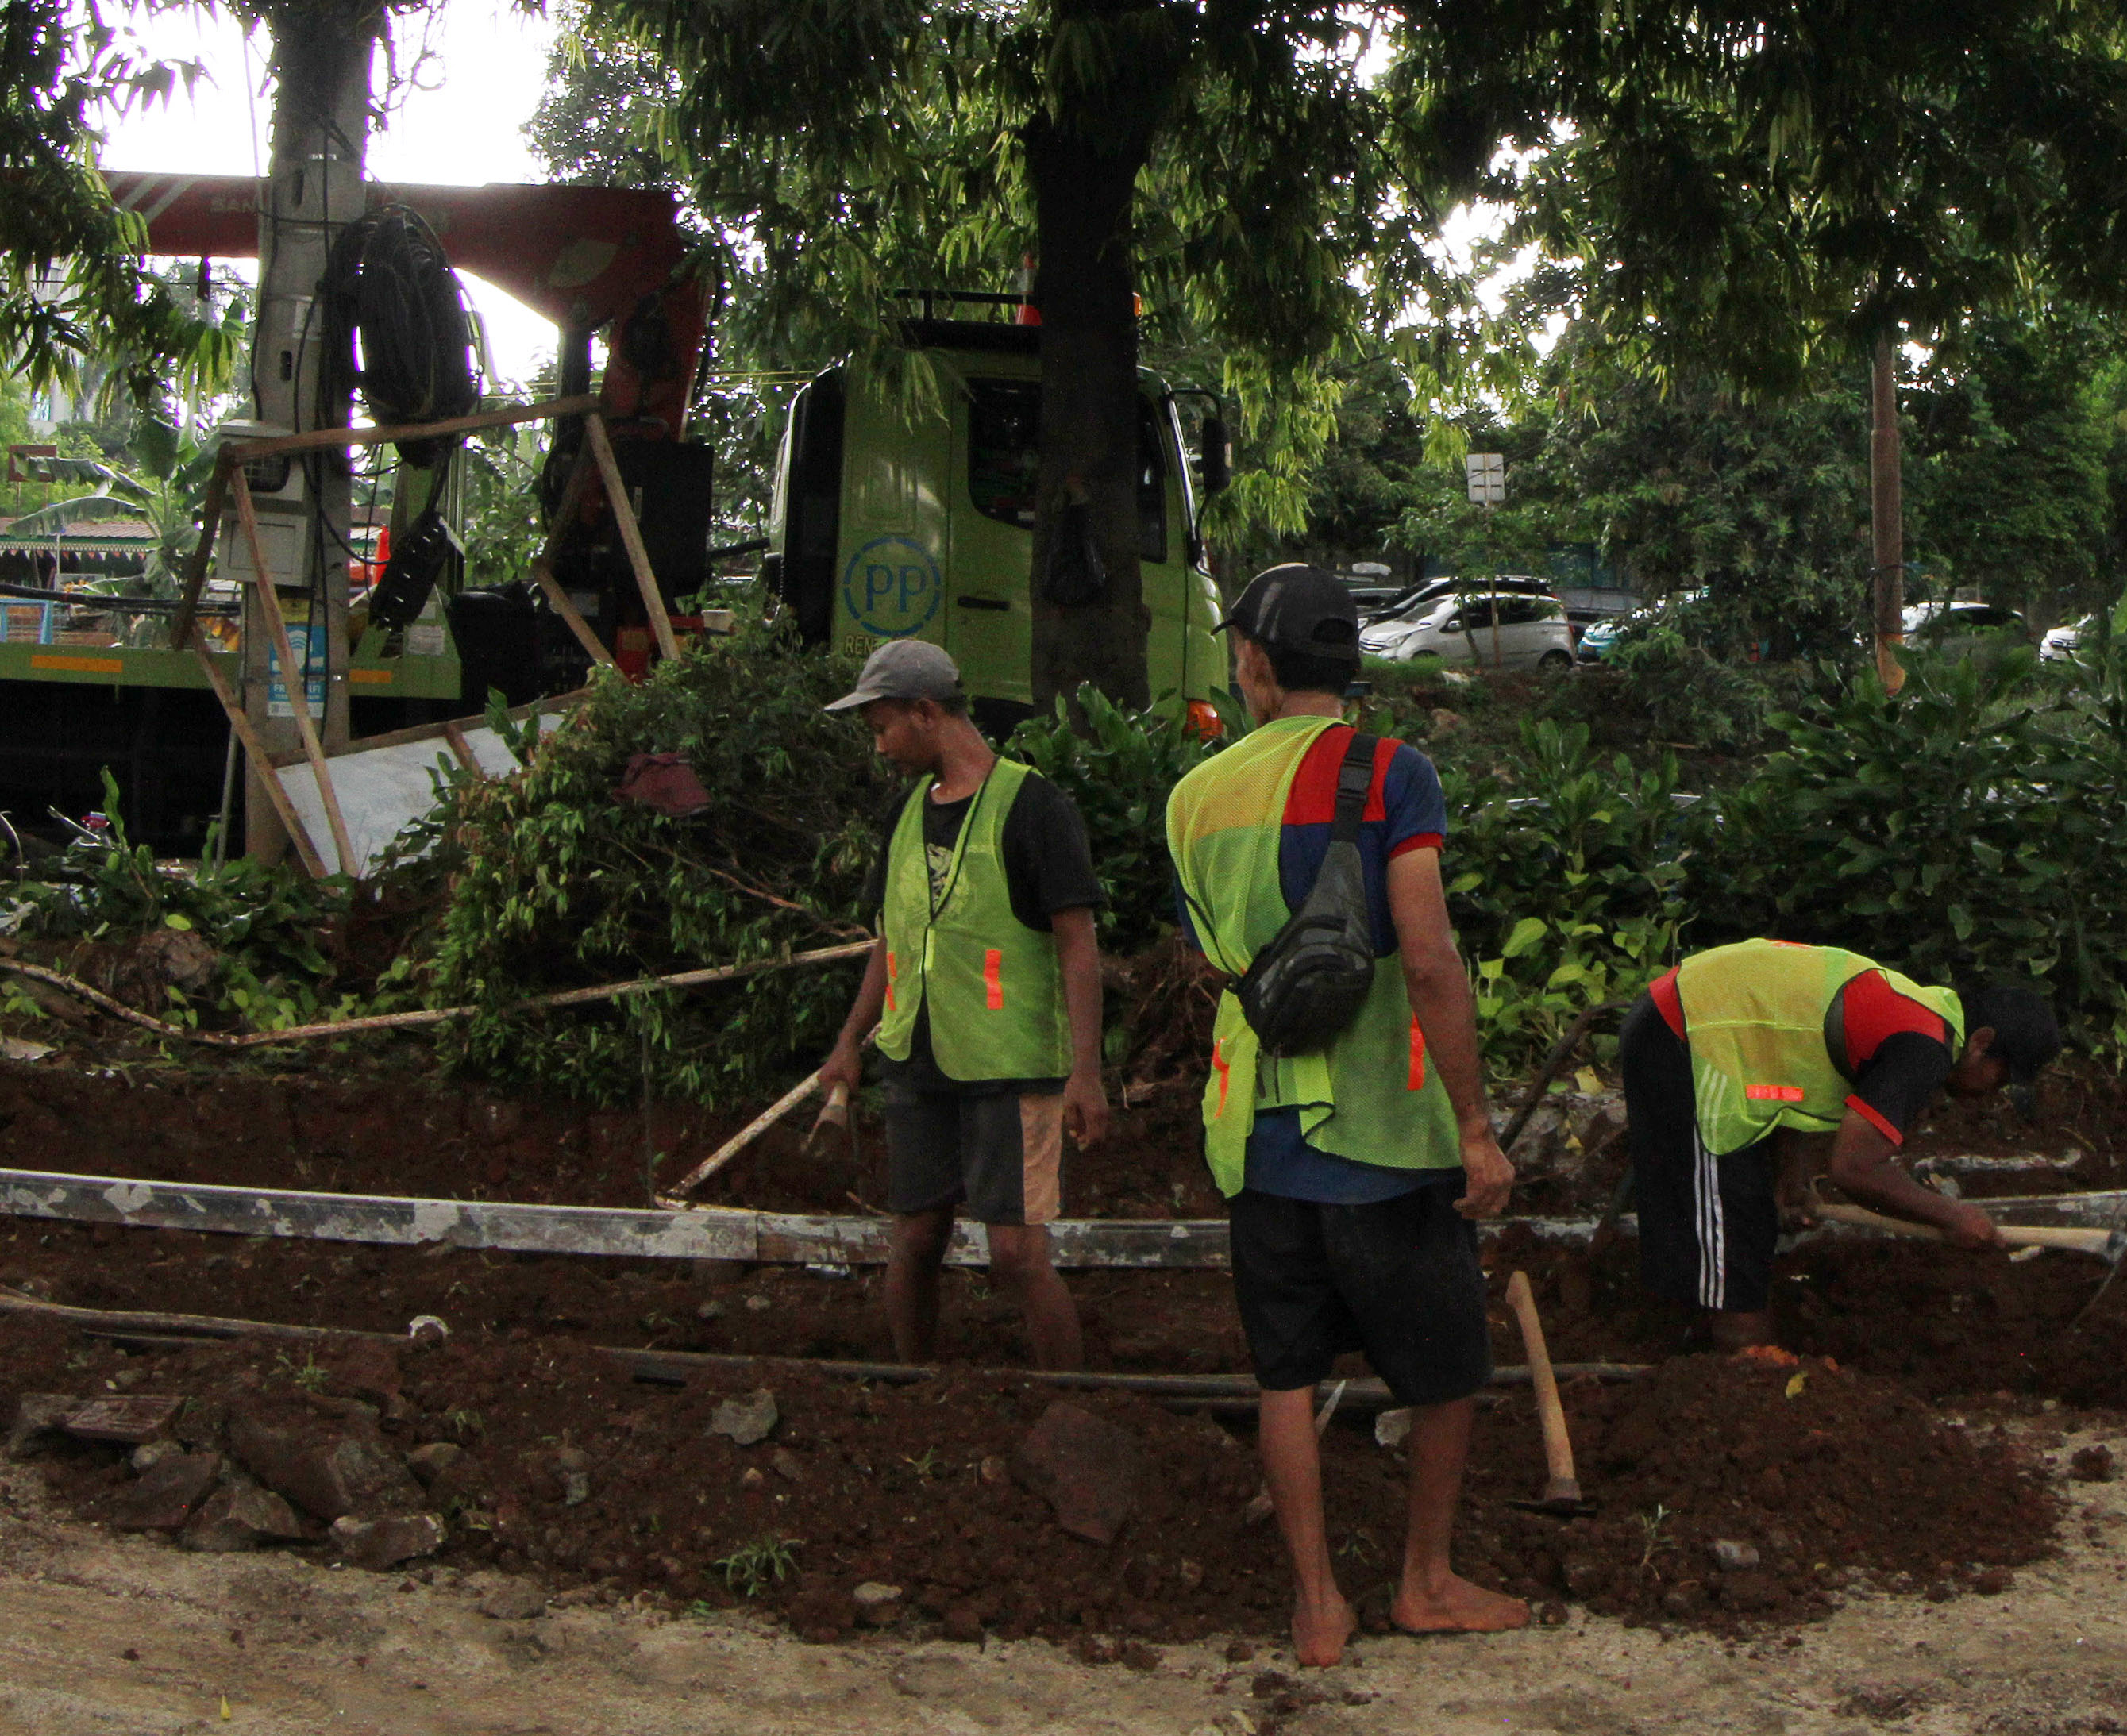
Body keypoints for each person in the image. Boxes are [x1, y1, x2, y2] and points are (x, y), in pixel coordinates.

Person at [1165, 564, 1529, 1667]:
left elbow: (1212, 961)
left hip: (1255, 1133)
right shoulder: (1390, 773)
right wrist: (1473, 1125)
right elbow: (1425, 955)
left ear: (1259, 667)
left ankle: (1316, 1603)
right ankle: (1423, 1580)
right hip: (1379, 1130)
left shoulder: (1194, 796)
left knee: (1285, 1375)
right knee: (1446, 1369)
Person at [818, 639, 1108, 1370]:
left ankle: (1070, 1413)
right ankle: (916, 1392)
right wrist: (852, 1040)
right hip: (916, 1061)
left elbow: (1078, 945)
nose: (879, 746)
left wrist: (1087, 1071)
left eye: (884, 727)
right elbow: (892, 941)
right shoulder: (905, 814)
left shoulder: (1035, 808)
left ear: (926, 712)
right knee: (914, 1237)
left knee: (1015, 1251)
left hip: (1009, 1065)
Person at [1620, 938, 2061, 1351]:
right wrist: (1952, 1215)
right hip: (1687, 1030)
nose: (1997, 1090)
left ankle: (1718, 1342)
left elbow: (1798, 1074)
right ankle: (1745, 1370)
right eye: (2003, 1076)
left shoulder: (1920, 1020)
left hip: (1713, 1029)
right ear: (1981, 1044)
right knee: (1734, 1219)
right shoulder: (1923, 1048)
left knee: (1749, 1211)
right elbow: (1855, 1168)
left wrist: (1793, 1181)